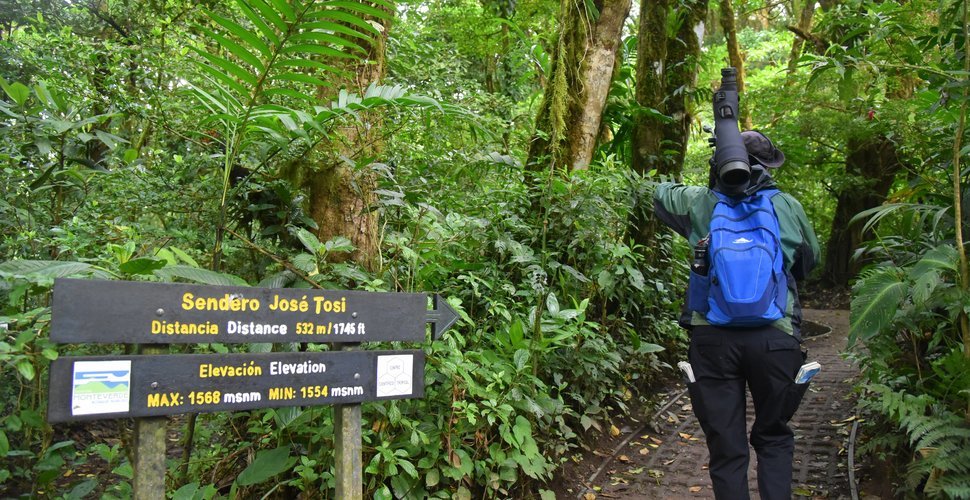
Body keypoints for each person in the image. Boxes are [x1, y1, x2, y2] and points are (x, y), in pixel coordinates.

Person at [653, 130, 820, 500]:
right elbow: (809, 261)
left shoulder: (700, 203)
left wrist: (714, 179)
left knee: (726, 447)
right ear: (767, 166)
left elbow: (658, 194)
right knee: (774, 436)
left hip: (712, 338)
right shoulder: (786, 206)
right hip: (776, 337)